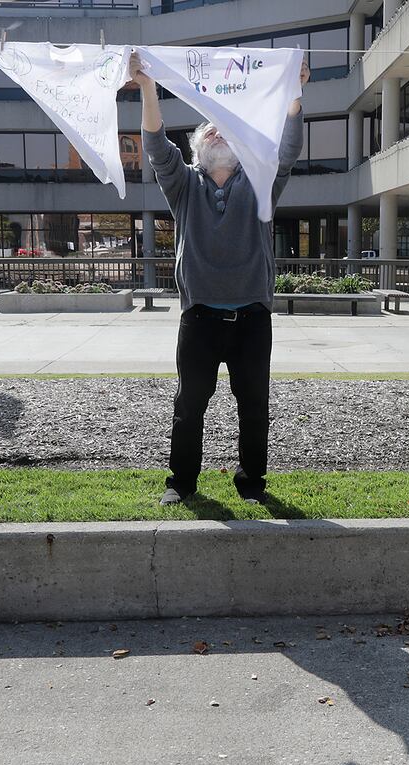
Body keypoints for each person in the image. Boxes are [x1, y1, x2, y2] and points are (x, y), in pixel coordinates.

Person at [130, 52, 309, 506]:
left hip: (252, 316)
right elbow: (154, 146)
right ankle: (181, 483)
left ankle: (252, 486)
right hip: (200, 318)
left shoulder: (261, 179)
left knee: (254, 408)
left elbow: (287, 151)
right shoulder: (185, 185)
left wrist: (293, 93)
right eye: (209, 128)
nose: (217, 130)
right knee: (190, 406)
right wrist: (148, 87)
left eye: (226, 128)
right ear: (198, 149)